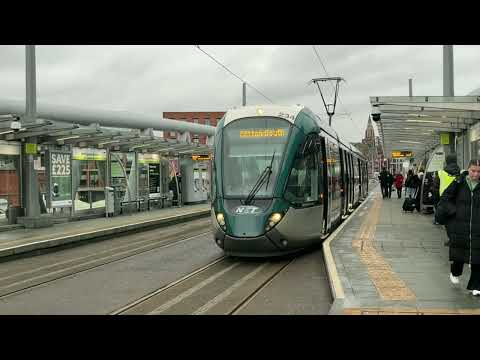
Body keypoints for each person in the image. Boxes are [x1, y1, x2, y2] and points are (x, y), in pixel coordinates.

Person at [436, 159, 480, 296]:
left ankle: (476, 286)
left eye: (479, 171)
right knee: (459, 256)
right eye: (473, 171)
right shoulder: (459, 182)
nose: (476, 174)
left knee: (478, 258)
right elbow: (445, 199)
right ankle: (455, 271)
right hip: (461, 226)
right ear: (468, 169)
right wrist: (454, 212)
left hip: (477, 227)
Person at [432, 153, 460, 225]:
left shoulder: (440, 173)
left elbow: (435, 190)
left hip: (443, 201)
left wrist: (436, 203)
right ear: (456, 161)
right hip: (457, 201)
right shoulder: (461, 173)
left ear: (446, 161)